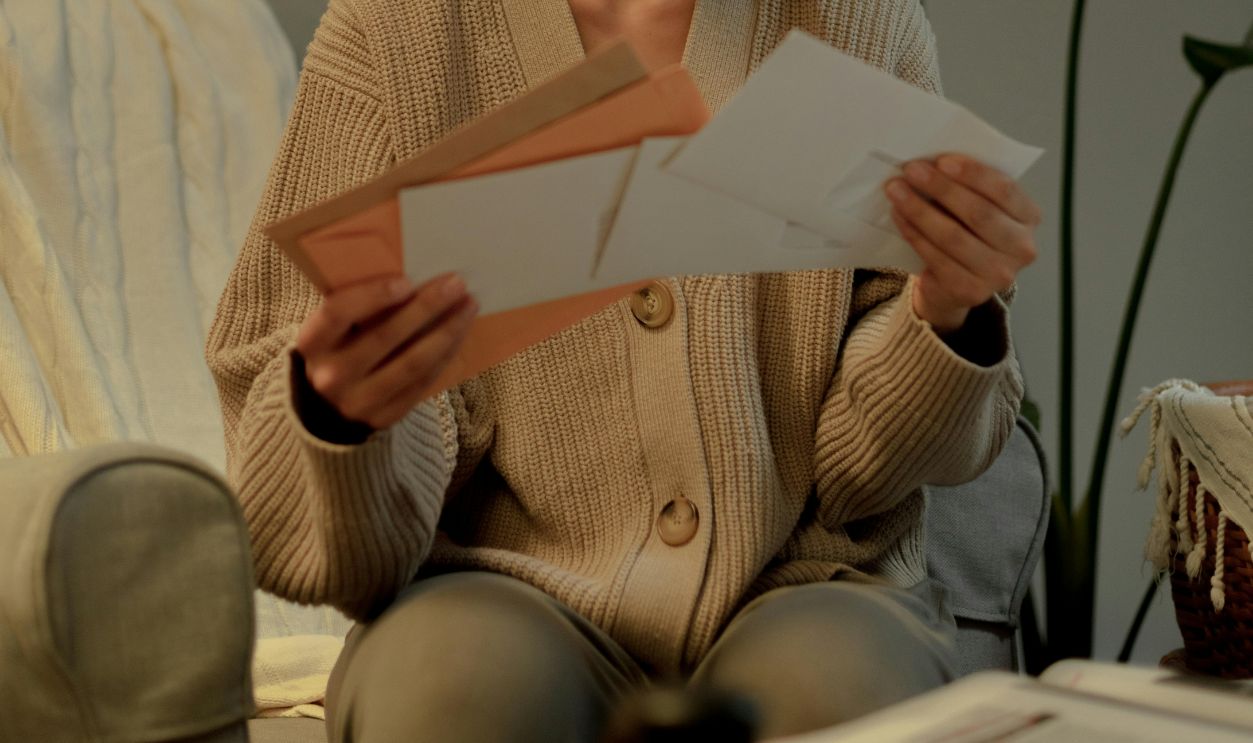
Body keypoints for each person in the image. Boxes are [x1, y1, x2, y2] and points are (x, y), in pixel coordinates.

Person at [207, 0, 1041, 740]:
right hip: (490, 593)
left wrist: (944, 320)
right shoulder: (395, 32)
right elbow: (312, 517)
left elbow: (865, 473)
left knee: (835, 690)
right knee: (453, 684)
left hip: (808, 582)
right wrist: (345, 417)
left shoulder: (857, 20)